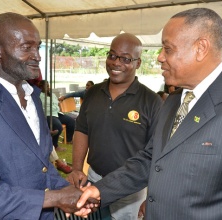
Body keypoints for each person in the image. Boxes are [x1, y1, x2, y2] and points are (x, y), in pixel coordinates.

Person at [77, 8, 222, 219]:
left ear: (200, 48)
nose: (159, 57)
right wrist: (100, 190)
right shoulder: (175, 99)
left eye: (167, 49)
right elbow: (152, 159)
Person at [0, 12, 95, 219]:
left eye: (38, 47)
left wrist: (76, 195)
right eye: (26, 47)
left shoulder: (32, 97)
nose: (37, 55)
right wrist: (55, 198)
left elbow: (42, 168)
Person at [67, 33, 162, 220]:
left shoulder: (152, 102)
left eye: (126, 59)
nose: (116, 63)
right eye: (112, 55)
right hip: (93, 179)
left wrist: (152, 195)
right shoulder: (93, 93)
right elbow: (82, 130)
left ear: (138, 63)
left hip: (129, 191)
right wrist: (77, 168)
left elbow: (157, 155)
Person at [38, 80, 75, 151]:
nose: (48, 88)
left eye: (48, 86)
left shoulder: (52, 94)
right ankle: (55, 146)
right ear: (41, 87)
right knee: (58, 127)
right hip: (48, 114)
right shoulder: (39, 96)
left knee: (72, 122)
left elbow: (58, 103)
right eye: (46, 86)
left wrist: (60, 108)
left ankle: (68, 139)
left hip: (57, 113)